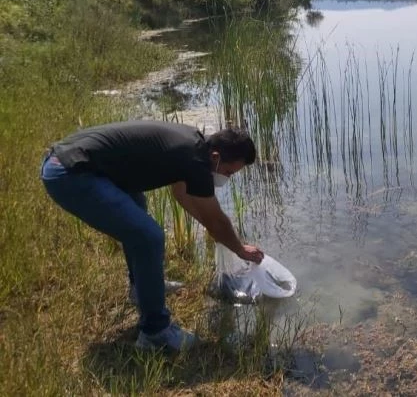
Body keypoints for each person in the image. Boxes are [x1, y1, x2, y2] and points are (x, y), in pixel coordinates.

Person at [40, 120, 266, 351]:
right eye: (228, 172)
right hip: (70, 172)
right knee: (149, 237)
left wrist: (217, 233)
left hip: (72, 162)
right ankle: (155, 333)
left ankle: (142, 288)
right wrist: (239, 248)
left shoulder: (193, 145)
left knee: (137, 206)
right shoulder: (196, 160)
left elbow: (182, 195)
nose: (227, 177)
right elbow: (215, 218)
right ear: (216, 156)